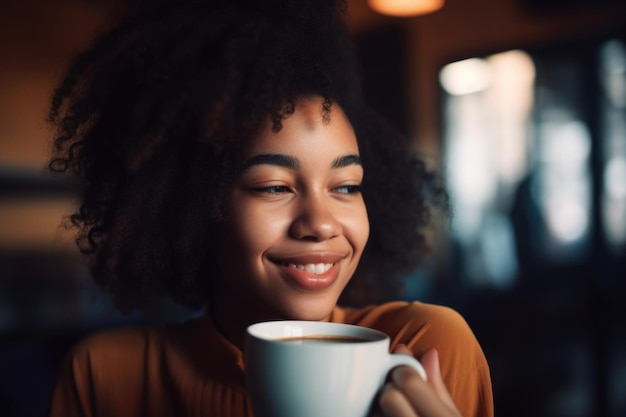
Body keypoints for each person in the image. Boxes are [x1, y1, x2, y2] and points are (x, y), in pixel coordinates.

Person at [47, 0, 494, 416]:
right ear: (199, 204)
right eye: (275, 187)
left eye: (346, 186)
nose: (320, 224)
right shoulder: (104, 376)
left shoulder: (424, 347)